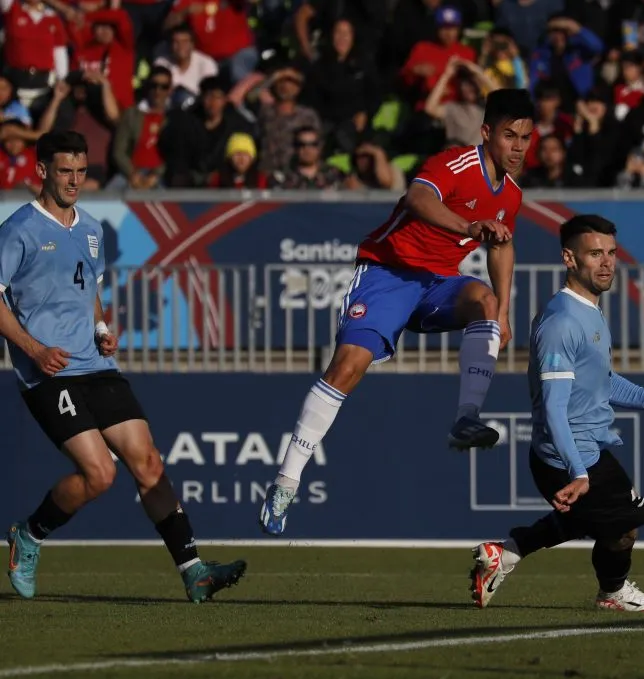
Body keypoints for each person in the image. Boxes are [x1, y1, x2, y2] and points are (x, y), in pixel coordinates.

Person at [258, 88, 535, 535]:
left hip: (438, 283)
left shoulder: (512, 193)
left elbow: (502, 247)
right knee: (346, 368)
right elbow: (416, 200)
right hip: (388, 273)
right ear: (486, 133)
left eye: (525, 137)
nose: (518, 147)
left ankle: (466, 418)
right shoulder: (455, 164)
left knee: (484, 300)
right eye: (510, 136)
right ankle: (286, 482)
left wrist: (502, 313)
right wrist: (468, 226)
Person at [1, 131, 246, 602]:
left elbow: (87, 289)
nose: (74, 180)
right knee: (100, 475)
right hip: (49, 373)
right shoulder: (17, 231)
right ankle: (29, 535)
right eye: (64, 171)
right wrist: (33, 350)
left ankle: (194, 570)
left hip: (96, 364)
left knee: (149, 462)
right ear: (42, 171)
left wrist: (100, 327)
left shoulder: (91, 229)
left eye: (80, 171)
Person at [468, 214, 644, 612]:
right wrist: (577, 471)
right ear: (569, 259)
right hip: (568, 455)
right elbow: (555, 407)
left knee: (604, 520)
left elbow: (601, 381)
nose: (607, 262)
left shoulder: (588, 311)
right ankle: (612, 592)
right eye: (595, 254)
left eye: (610, 253)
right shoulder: (562, 322)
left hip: (583, 450)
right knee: (628, 521)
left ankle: (507, 552)